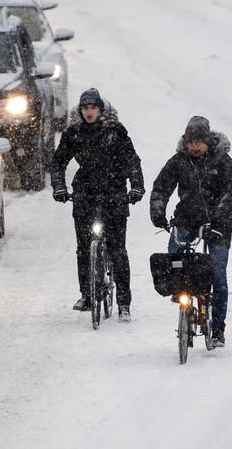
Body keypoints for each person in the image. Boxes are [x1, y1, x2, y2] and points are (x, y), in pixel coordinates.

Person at [51, 88, 144, 321]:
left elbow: (132, 160)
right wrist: (60, 188)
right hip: (85, 193)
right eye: (85, 108)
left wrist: (136, 187)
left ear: (101, 110)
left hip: (114, 193)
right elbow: (58, 162)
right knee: (83, 248)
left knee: (117, 249)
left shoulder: (116, 132)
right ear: (80, 111)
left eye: (93, 108)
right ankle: (87, 295)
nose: (89, 112)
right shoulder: (74, 133)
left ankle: (123, 302)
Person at [150, 116, 232, 346]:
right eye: (190, 142)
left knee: (218, 274)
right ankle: (184, 299)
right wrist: (158, 211)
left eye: (198, 142)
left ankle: (218, 328)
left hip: (217, 224)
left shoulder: (223, 162)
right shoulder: (178, 161)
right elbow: (161, 187)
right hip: (186, 219)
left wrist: (219, 219)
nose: (194, 147)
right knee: (175, 257)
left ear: (208, 141)